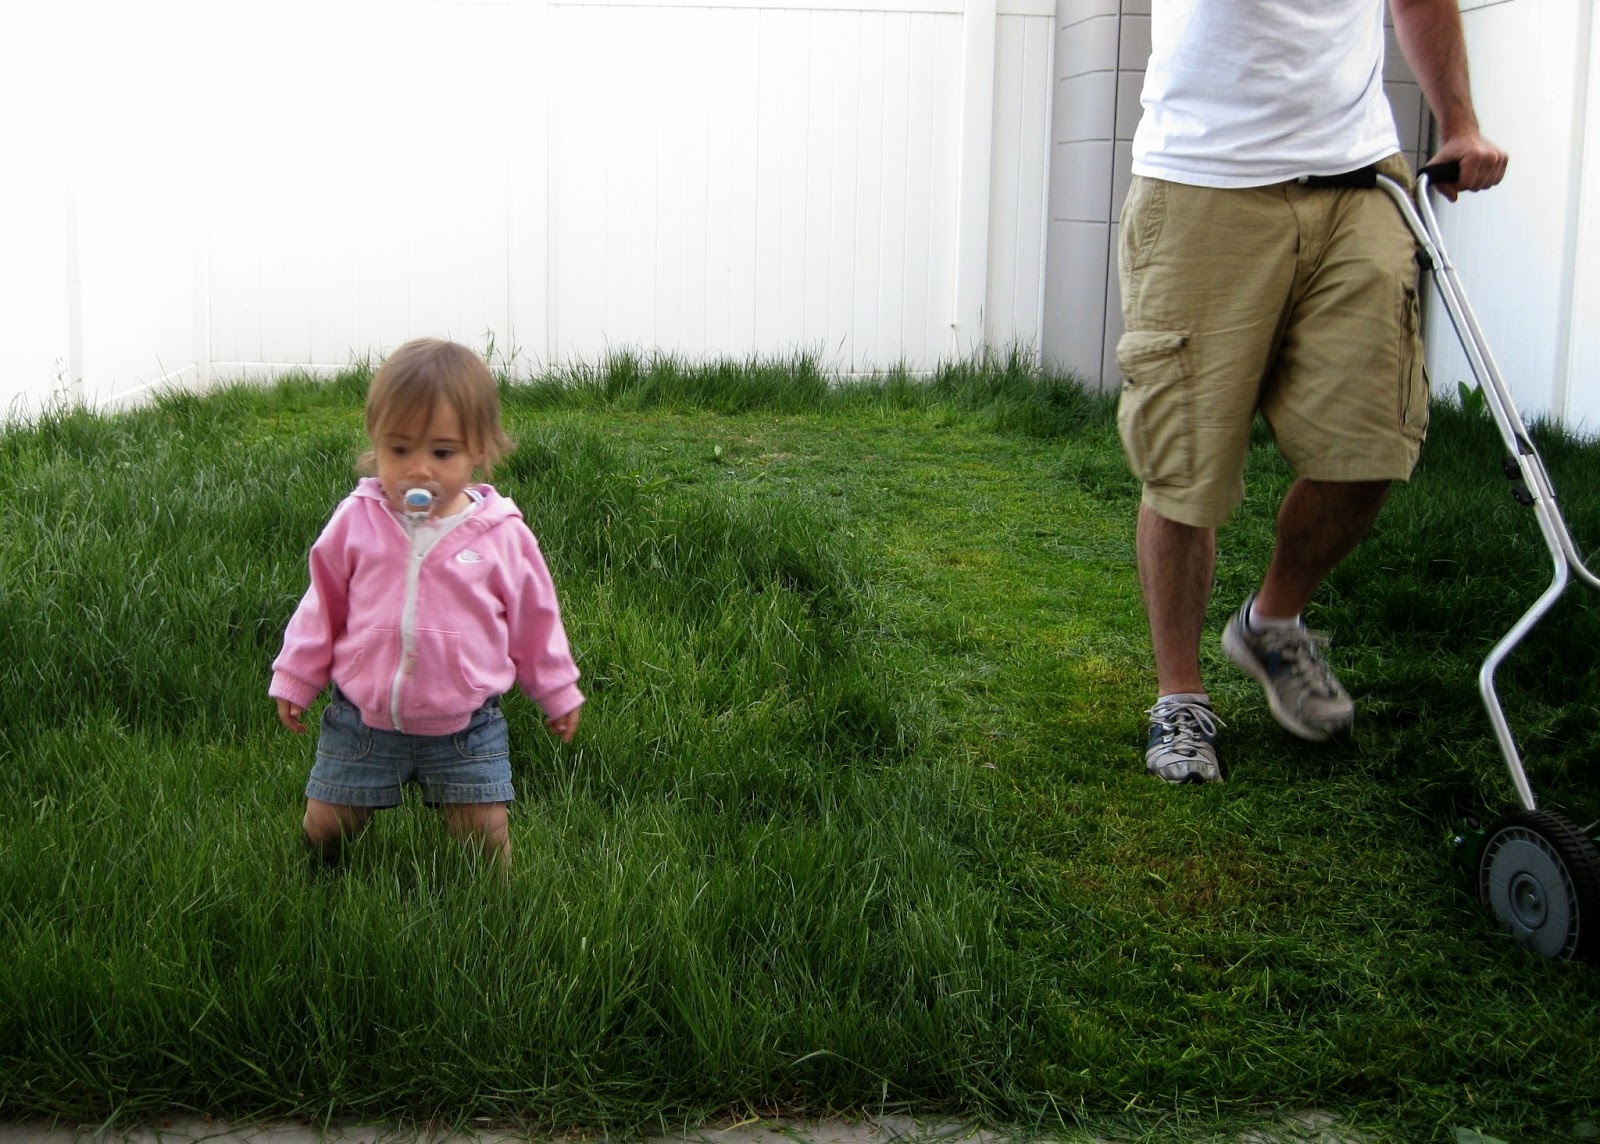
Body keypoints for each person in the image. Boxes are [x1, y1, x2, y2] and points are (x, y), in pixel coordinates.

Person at [1118, 0, 1509, 784]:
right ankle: (1179, 695)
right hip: (1204, 176)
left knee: (1372, 442)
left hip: (1358, 178)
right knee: (1186, 469)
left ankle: (1272, 621)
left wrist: (1459, 122)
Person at [270, 338, 584, 865]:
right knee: (326, 827)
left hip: (464, 723)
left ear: (478, 451)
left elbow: (536, 621)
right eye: (399, 450)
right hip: (362, 719)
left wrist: (557, 690)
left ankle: (495, 902)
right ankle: (313, 882)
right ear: (376, 443)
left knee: (484, 836)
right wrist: (297, 676)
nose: (418, 470)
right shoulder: (358, 520)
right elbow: (322, 605)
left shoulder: (500, 534)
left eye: (441, 453)